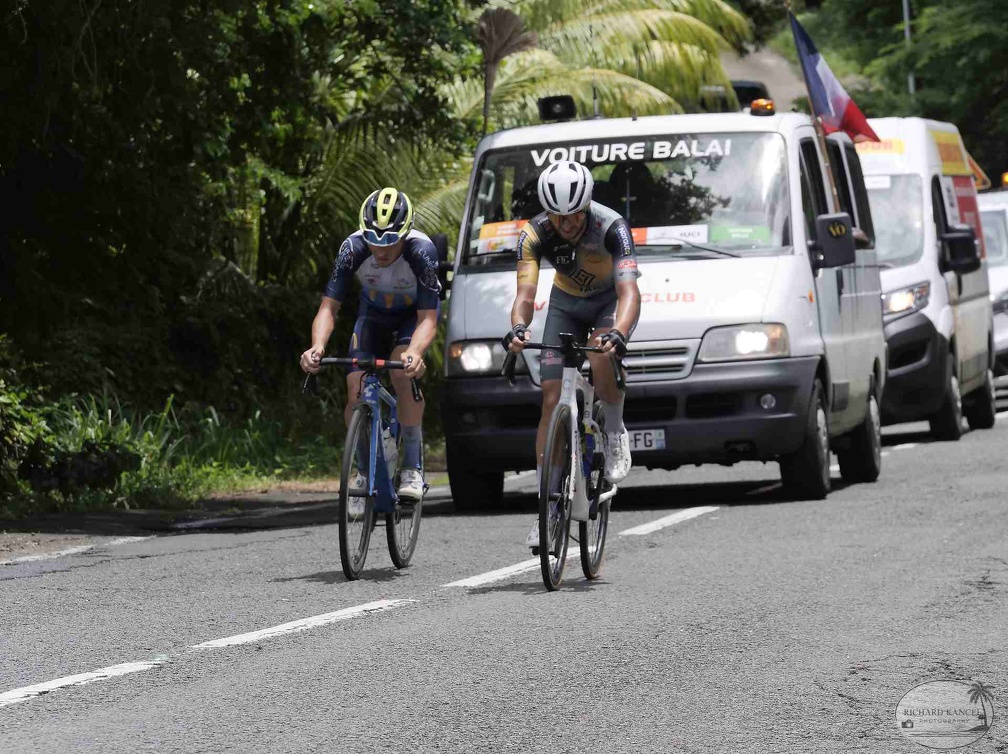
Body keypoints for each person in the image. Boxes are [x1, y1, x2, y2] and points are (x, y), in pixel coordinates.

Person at [503, 161, 642, 549]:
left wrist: (619, 332)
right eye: (558, 217)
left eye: (574, 215)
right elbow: (526, 296)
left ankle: (613, 430)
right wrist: (518, 327)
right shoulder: (534, 234)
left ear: (587, 205)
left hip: (607, 303)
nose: (566, 225)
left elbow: (630, 293)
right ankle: (547, 509)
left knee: (600, 354)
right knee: (550, 400)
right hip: (566, 304)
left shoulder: (612, 227)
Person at [300, 187, 441, 502]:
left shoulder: (422, 251)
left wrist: (416, 353)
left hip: (411, 319)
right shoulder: (352, 248)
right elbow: (328, 307)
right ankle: (364, 470)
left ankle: (412, 467)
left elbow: (429, 318)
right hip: (373, 317)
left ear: (405, 234)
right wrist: (317, 347)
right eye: (374, 240)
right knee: (355, 388)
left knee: (403, 372)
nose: (380, 250)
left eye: (389, 242)